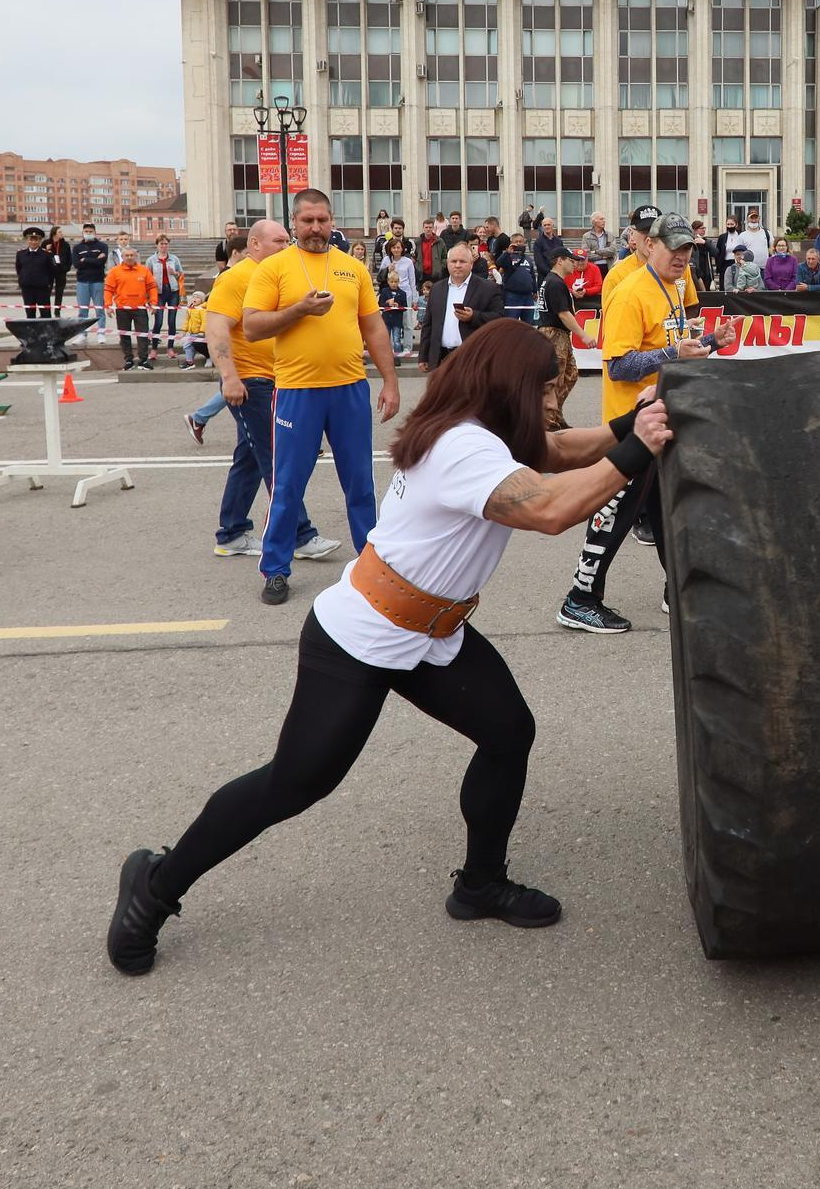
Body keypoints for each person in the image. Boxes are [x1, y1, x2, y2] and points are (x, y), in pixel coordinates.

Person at [106, 322, 678, 975]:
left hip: (432, 632)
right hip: (364, 633)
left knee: (508, 731)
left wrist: (630, 423)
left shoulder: (482, 426)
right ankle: (154, 885)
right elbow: (548, 508)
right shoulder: (465, 447)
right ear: (511, 385)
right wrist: (638, 450)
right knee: (294, 782)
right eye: (547, 387)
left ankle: (480, 883)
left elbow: (555, 448)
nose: (554, 400)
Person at [557, 215, 733, 634]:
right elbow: (619, 366)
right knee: (614, 513)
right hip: (628, 427)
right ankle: (579, 599)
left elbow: (672, 349)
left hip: (661, 421)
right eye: (674, 247)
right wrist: (674, 354)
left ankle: (679, 589)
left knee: (669, 509)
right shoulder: (630, 292)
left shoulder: (671, 286)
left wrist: (710, 342)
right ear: (648, 245)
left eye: (688, 248)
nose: (682, 256)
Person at [236, 190, 403, 606]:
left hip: (349, 389)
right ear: (294, 223)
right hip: (296, 392)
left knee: (361, 485)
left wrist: (390, 381)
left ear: (332, 221)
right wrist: (299, 311)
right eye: (307, 221)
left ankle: (371, 565)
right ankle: (276, 569)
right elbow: (253, 326)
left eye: (322, 220)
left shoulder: (352, 268)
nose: (315, 228)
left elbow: (375, 328)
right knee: (288, 484)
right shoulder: (274, 268)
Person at [204, 220, 338, 567]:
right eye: (278, 241)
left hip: (277, 379)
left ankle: (231, 533)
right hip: (251, 383)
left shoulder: (278, 274)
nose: (286, 245)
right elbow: (216, 327)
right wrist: (230, 378)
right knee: (277, 460)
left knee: (249, 458)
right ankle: (300, 535)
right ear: (254, 245)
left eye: (286, 240)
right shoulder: (235, 278)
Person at [421, 241, 505, 373]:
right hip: (441, 358)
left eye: (462, 261)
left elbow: (499, 318)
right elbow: (428, 324)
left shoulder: (488, 288)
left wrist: (474, 316)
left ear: (471, 264)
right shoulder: (436, 289)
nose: (457, 265)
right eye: (453, 261)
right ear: (447, 264)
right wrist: (423, 356)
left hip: (473, 358)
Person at [537, 244, 582, 430]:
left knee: (571, 375)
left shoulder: (554, 282)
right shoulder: (555, 283)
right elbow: (563, 314)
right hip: (553, 334)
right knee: (555, 380)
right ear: (560, 261)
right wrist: (583, 335)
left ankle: (556, 413)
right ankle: (547, 422)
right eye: (571, 261)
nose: (575, 264)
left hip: (558, 334)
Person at [103, 244, 158, 370]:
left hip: (140, 308)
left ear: (136, 256)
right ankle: (128, 360)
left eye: (132, 255)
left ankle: (143, 360)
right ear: (122, 257)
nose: (129, 257)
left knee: (143, 335)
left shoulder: (144, 270)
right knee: (124, 336)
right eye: (126, 255)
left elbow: (152, 287)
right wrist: (108, 305)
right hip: (122, 309)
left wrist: (154, 303)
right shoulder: (114, 271)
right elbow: (108, 289)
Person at [147, 234, 187, 361]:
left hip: (172, 290)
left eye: (165, 244)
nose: (164, 246)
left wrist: (174, 273)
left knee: (171, 321)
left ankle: (170, 348)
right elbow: (147, 277)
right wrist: (149, 296)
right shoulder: (151, 260)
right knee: (158, 321)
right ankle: (154, 349)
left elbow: (181, 274)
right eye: (161, 244)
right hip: (158, 291)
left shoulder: (174, 259)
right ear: (157, 245)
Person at [71, 223, 111, 336]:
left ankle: (101, 333)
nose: (88, 233)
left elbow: (101, 262)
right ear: (82, 233)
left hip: (98, 281)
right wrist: (93, 259)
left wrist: (85, 259)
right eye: (86, 231)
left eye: (91, 231)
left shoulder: (102, 246)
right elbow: (76, 264)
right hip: (82, 282)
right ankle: (82, 334)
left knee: (99, 309)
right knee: (83, 310)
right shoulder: (77, 248)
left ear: (95, 232)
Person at [15, 226, 55, 318]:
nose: (33, 242)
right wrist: (22, 281)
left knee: (45, 314)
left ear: (40, 241)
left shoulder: (46, 254)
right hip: (27, 289)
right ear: (27, 240)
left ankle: (46, 332)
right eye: (31, 239)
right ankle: (31, 332)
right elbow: (19, 269)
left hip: (42, 289)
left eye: (36, 240)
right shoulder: (20, 254)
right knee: (30, 314)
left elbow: (52, 271)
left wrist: (47, 284)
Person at [46, 227, 73, 314]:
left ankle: (57, 311)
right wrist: (46, 250)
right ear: (54, 233)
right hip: (49, 272)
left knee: (59, 292)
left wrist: (66, 268)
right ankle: (46, 311)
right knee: (47, 292)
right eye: (60, 232)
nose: (62, 233)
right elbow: (41, 257)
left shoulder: (65, 245)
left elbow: (69, 259)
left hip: (61, 272)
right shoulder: (46, 243)